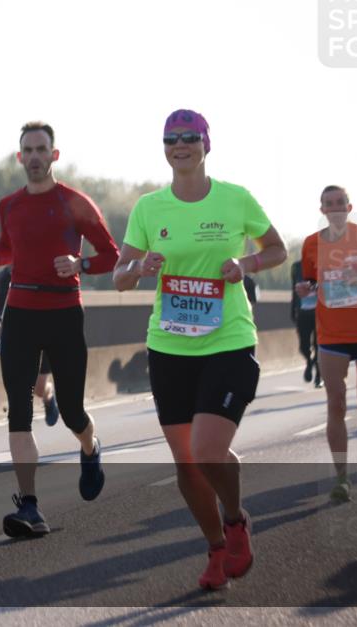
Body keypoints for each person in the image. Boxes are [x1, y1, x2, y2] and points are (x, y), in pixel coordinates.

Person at [113, 109, 286, 591]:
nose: (180, 145)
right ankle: (215, 548)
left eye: (190, 137)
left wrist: (245, 264)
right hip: (169, 347)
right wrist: (139, 268)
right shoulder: (149, 207)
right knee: (186, 463)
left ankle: (235, 520)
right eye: (171, 139)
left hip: (228, 341)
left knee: (207, 450)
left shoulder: (236, 198)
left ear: (206, 144)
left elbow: (277, 249)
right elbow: (120, 277)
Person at [0, 121, 119, 538]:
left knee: (72, 411)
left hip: (64, 314)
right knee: (19, 412)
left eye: (42, 149)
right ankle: (30, 506)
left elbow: (111, 255)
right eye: (28, 150)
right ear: (20, 157)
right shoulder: (9, 205)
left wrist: (80, 264)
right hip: (20, 313)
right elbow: (10, 247)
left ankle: (90, 447)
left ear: (54, 155)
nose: (35, 157)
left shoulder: (75, 203)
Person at [296, 185, 357, 502]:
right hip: (331, 334)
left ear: (349, 207)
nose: (334, 207)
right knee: (335, 402)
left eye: (339, 203)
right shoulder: (311, 244)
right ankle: (341, 477)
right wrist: (305, 289)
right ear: (322, 209)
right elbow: (311, 281)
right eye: (328, 203)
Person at [0, 264, 58, 426]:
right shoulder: (4, 276)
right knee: (17, 382)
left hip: (45, 332)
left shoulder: (43, 268)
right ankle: (21, 421)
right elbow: (0, 305)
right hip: (17, 334)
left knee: (39, 388)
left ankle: (48, 397)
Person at [290, 259, 321, 386]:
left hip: (319, 313)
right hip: (302, 312)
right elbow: (294, 289)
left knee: (319, 345)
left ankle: (319, 375)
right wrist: (292, 309)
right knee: (303, 346)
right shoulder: (296, 266)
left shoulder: (323, 264)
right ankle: (309, 361)